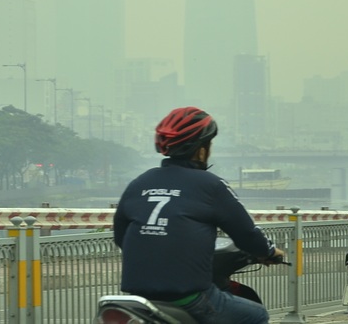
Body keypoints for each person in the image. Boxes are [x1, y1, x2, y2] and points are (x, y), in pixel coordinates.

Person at [113, 106, 286, 324]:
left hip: (139, 299)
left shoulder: (139, 183)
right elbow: (247, 234)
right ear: (201, 149)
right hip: (189, 298)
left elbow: (121, 237)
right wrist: (270, 251)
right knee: (256, 315)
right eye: (209, 144)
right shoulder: (210, 185)